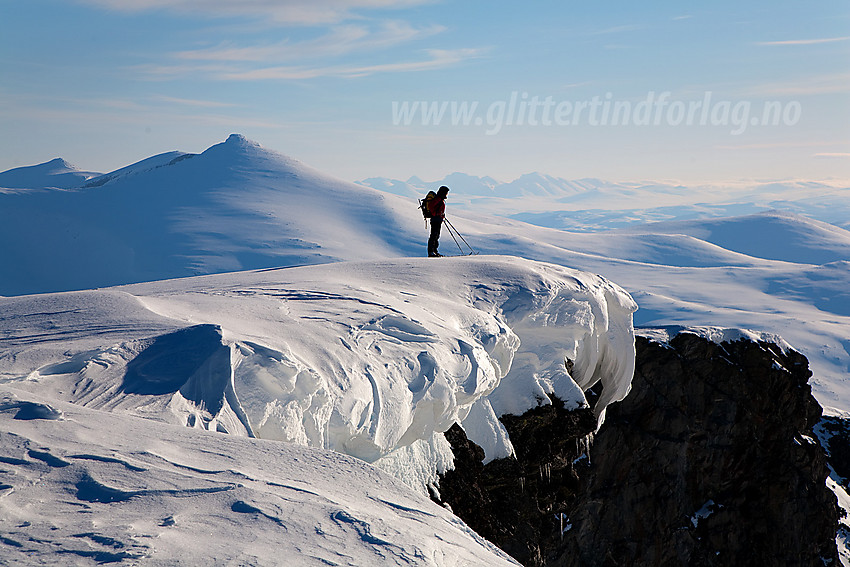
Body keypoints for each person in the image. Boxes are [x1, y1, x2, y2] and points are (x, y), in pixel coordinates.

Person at [427, 185, 449, 257]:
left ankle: (434, 251)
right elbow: (431, 207)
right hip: (435, 219)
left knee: (436, 236)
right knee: (434, 235)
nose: (446, 194)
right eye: (446, 193)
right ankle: (431, 252)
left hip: (437, 219)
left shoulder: (439, 199)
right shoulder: (438, 199)